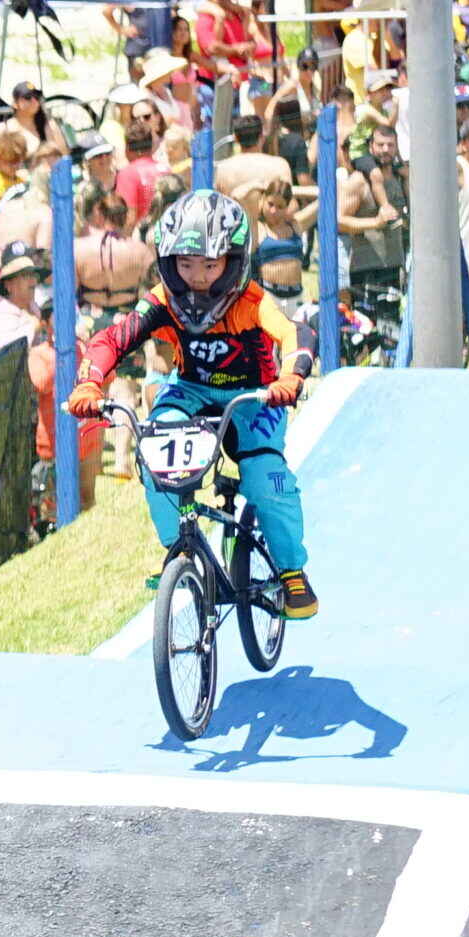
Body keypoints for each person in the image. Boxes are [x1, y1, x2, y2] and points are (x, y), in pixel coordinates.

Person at [69, 189, 317, 619]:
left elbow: (296, 334)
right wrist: (90, 384)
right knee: (154, 452)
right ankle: (177, 549)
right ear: (168, 262)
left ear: (234, 262)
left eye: (210, 264)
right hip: (189, 390)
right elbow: (113, 339)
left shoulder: (251, 301)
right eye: (185, 264)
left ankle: (292, 570)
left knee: (265, 478)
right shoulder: (164, 301)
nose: (198, 277)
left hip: (254, 398)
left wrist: (291, 377)